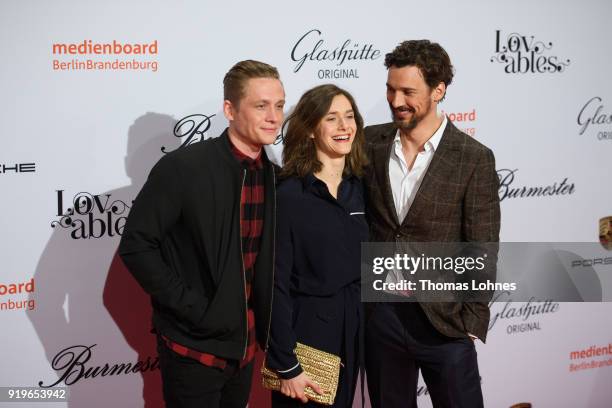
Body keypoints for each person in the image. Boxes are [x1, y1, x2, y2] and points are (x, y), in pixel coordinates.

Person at [118, 60, 285, 408]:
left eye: (279, 105)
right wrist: (193, 308)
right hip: (192, 347)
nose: (274, 117)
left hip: (246, 347)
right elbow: (137, 244)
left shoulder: (275, 177)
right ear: (229, 109)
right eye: (261, 106)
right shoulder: (184, 168)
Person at [363, 40, 501, 408]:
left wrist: (472, 321)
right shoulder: (369, 142)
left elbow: (482, 247)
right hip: (383, 316)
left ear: (438, 90)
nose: (396, 101)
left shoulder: (473, 158)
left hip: (445, 321)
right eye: (391, 89)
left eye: (408, 91)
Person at [265, 84, 369, 407]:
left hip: (355, 335)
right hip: (307, 342)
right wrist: (286, 362)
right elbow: (274, 284)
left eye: (349, 117)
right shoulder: (289, 196)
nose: (344, 127)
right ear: (310, 129)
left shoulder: (362, 188)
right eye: (332, 118)